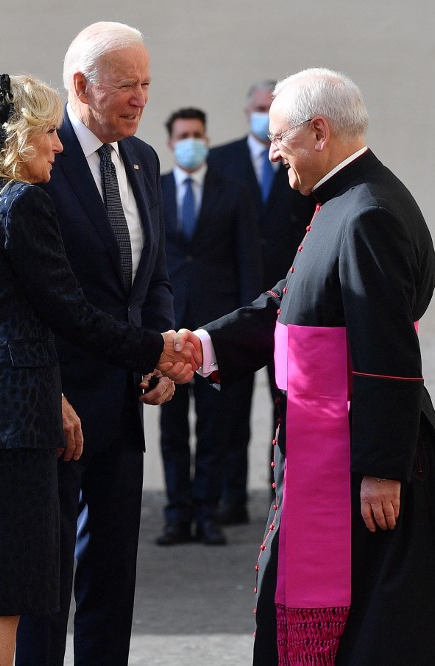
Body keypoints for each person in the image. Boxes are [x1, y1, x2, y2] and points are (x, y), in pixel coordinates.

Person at [172, 68, 435, 664]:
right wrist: (200, 347)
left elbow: (387, 349)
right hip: (333, 447)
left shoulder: (367, 213)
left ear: (318, 131)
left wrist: (383, 470)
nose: (271, 149)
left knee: (379, 630)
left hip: (364, 462)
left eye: (279, 136)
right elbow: (291, 301)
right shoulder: (345, 199)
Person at [0, 74, 193, 666]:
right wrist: (156, 352)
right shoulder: (21, 202)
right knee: (7, 600)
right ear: (16, 137)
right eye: (45, 132)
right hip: (14, 421)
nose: (58, 144)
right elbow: (68, 310)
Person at [14, 22, 175, 666]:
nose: (140, 99)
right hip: (57, 405)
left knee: (113, 569)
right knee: (47, 577)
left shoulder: (143, 159)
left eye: (146, 85)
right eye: (127, 86)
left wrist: (159, 352)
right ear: (80, 86)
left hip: (124, 398)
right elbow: (24, 295)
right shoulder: (39, 162)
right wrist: (42, 389)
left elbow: (152, 274)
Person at [207, 80, 317, 525]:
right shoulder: (222, 161)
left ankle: (283, 495)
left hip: (289, 297)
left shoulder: (303, 163)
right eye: (258, 108)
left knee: (286, 400)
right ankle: (228, 497)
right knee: (228, 411)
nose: (262, 115)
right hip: (236, 299)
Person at [155, 107, 261, 546]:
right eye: (183, 134)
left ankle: (208, 511)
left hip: (216, 331)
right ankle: (177, 513)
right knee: (172, 427)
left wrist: (242, 331)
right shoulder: (153, 190)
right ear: (170, 142)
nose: (191, 140)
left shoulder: (233, 192)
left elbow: (248, 265)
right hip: (168, 331)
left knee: (216, 426)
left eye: (198, 133)